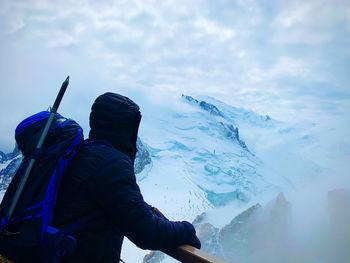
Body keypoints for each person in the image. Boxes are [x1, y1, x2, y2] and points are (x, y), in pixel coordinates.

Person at [52, 92, 201, 262]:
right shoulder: (110, 163)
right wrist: (187, 230)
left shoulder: (84, 153)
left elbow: (124, 204)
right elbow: (145, 230)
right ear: (125, 127)